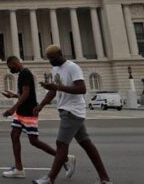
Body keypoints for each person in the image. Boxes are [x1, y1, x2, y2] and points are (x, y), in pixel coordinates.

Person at [32, 45, 112, 184]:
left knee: (61, 144)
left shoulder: (73, 67)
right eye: (49, 58)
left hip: (73, 110)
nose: (50, 61)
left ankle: (50, 178)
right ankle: (105, 179)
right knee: (87, 144)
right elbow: (54, 91)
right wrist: (41, 105)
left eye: (52, 58)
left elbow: (81, 89)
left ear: (60, 54)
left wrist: (57, 87)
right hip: (66, 110)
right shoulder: (56, 69)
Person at [1, 56, 74, 179]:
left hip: (28, 112)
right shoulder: (22, 74)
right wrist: (13, 95)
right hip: (21, 112)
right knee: (14, 135)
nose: (10, 70)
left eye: (10, 67)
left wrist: (13, 108)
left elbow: (26, 94)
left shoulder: (25, 73)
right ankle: (19, 169)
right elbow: (24, 94)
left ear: (15, 63)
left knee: (34, 141)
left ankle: (65, 158)